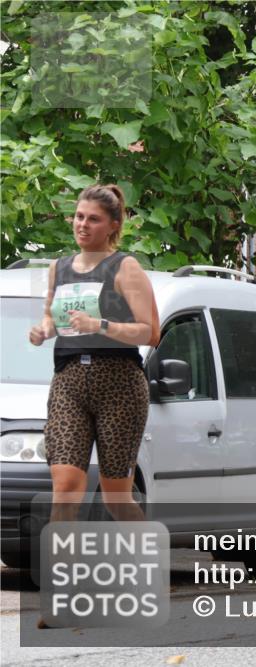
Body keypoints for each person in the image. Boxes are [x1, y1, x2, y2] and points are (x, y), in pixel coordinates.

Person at [29, 184, 158, 525]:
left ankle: (142, 563)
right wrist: (42, 329)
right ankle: (64, 574)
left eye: (94, 219)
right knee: (66, 487)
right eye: (79, 217)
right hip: (69, 382)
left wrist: (100, 324)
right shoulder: (60, 267)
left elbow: (150, 331)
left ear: (114, 225)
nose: (82, 225)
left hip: (119, 386)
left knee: (116, 496)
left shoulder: (125, 267)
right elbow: (52, 317)